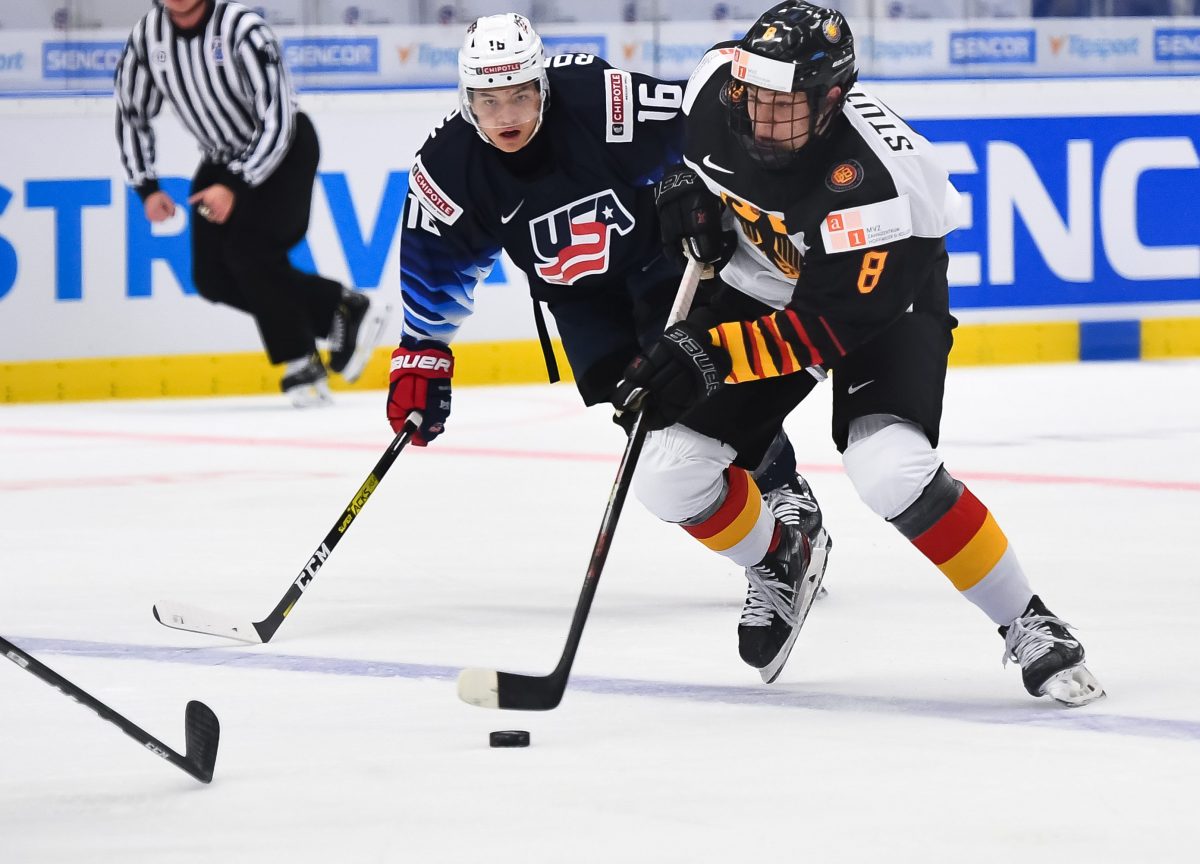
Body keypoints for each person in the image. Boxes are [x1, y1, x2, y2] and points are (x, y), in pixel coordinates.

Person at [614, 1, 1105, 705]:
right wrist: (687, 186)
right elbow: (684, 147)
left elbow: (820, 333)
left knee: (890, 469)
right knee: (667, 473)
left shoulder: (875, 187)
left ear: (832, 100)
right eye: (754, 96)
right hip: (770, 274)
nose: (761, 117)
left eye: (785, 106)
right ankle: (783, 556)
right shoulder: (717, 84)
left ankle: (1028, 619)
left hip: (882, 301)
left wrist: (709, 353)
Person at [387, 12, 831, 680]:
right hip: (576, 294)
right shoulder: (448, 167)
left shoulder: (600, 99)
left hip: (660, 261)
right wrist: (422, 352)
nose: (506, 114)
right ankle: (773, 508)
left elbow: (702, 127)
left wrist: (692, 187)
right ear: (465, 98)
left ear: (542, 85)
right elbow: (434, 264)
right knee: (636, 403)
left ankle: (782, 495)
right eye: (489, 100)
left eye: (521, 95)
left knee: (683, 389)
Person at [114, 0, 389, 407]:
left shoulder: (242, 27)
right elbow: (131, 111)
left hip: (284, 151)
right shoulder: (146, 37)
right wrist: (147, 186)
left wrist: (236, 184)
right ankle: (340, 307)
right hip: (220, 159)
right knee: (211, 276)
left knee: (249, 251)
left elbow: (278, 117)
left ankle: (300, 359)